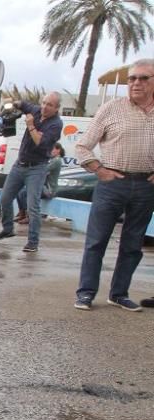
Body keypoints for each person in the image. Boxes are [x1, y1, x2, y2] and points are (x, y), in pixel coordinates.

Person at [73, 58, 154, 312]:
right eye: (132, 78)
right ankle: (86, 293)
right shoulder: (111, 109)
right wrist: (99, 170)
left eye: (143, 78)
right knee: (97, 241)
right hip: (112, 184)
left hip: (146, 186)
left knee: (133, 244)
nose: (136, 83)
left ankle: (119, 294)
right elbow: (82, 145)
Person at [0, 92, 63, 252]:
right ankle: (8, 229)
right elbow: (22, 104)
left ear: (57, 108)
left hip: (37, 167)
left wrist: (31, 125)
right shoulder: (36, 110)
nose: (44, 107)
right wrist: (11, 104)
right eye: (44, 102)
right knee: (5, 198)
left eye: (49, 105)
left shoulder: (56, 124)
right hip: (20, 164)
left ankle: (33, 242)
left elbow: (40, 142)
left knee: (33, 206)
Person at [16, 143, 64, 223]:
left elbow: (42, 170)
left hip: (49, 190)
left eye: (52, 149)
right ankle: (22, 214)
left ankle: (29, 216)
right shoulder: (51, 160)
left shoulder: (57, 161)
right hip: (42, 187)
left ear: (58, 150)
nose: (50, 151)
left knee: (24, 193)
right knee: (19, 192)